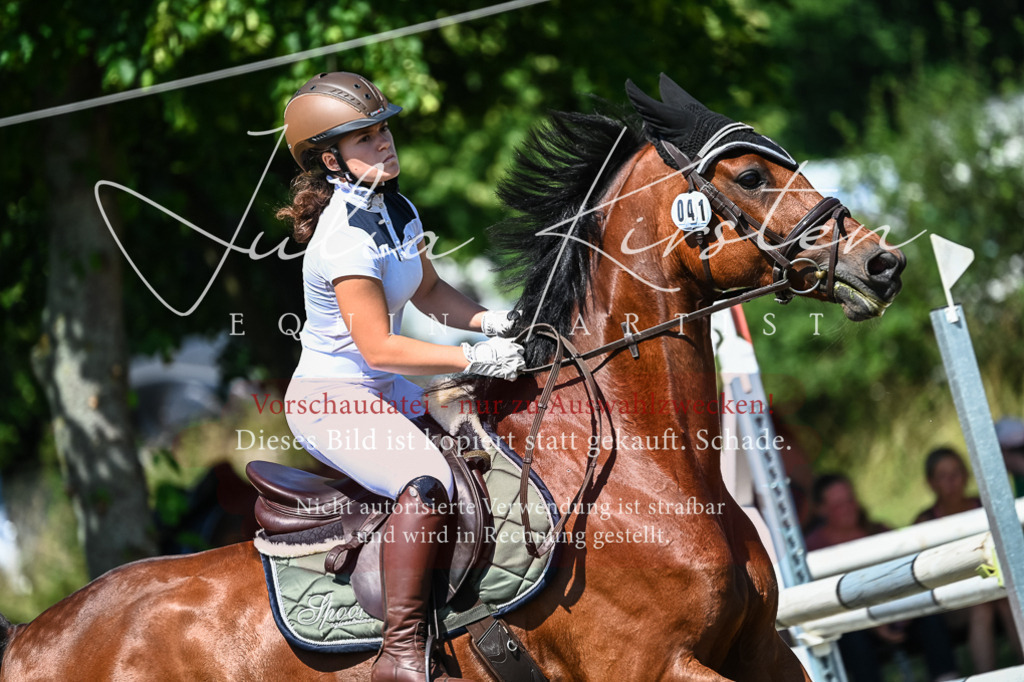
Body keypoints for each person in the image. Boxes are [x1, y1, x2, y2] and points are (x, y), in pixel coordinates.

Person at [276, 72, 523, 682]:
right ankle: (403, 650)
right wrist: (469, 359)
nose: (385, 143)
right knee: (428, 481)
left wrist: (497, 322)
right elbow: (380, 347)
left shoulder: (397, 209)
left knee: (496, 443)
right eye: (366, 138)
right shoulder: (341, 243)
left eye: (384, 129)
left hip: (387, 389)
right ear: (330, 159)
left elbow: (432, 293)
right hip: (332, 400)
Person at [806, 474, 958, 682]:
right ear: (821, 509)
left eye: (850, 500)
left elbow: (908, 572)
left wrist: (905, 613)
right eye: (838, 504)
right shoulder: (813, 548)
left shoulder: (878, 530)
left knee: (929, 614)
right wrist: (871, 622)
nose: (848, 508)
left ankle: (948, 678)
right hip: (855, 624)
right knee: (853, 637)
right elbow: (824, 599)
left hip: (899, 613)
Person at [914, 447, 1022, 673]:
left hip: (997, 587)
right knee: (984, 602)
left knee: (1002, 595)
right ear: (931, 483)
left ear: (966, 475)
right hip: (954, 602)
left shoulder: (985, 506)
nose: (951, 482)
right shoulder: (924, 523)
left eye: (956, 473)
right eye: (943, 476)